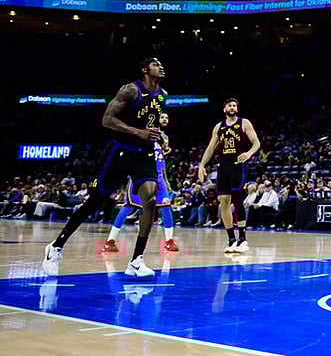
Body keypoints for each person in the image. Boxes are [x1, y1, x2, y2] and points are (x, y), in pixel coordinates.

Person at [43, 58, 168, 278]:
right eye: (155, 64)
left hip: (145, 153)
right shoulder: (130, 90)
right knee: (95, 201)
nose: (161, 67)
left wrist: (160, 137)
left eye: (161, 64)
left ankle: (136, 260)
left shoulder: (162, 94)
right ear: (144, 69)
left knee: (149, 199)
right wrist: (138, 132)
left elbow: (151, 123)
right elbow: (107, 120)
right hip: (121, 151)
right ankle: (56, 246)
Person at [103, 111, 179, 253]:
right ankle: (110, 241)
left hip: (159, 176)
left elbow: (160, 158)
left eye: (167, 117)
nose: (165, 119)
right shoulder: (145, 132)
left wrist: (166, 178)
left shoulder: (165, 137)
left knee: (166, 206)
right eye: (162, 116)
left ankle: (169, 241)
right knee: (129, 206)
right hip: (142, 175)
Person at [197, 98, 261, 253]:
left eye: (234, 105)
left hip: (238, 165)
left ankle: (243, 239)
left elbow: (256, 143)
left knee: (237, 199)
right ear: (224, 108)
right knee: (223, 201)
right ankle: (232, 239)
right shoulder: (219, 127)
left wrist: (249, 153)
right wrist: (202, 165)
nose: (232, 107)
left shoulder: (244, 123)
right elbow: (211, 148)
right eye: (229, 105)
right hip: (223, 166)